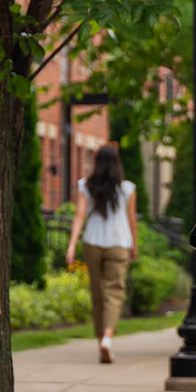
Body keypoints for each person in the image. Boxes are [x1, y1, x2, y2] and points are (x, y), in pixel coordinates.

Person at [65, 144, 138, 363]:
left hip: (92, 242)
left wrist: (71, 245)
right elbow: (131, 219)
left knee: (98, 294)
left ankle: (101, 343)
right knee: (114, 292)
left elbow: (79, 216)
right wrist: (135, 245)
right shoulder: (127, 189)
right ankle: (107, 337)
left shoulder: (86, 186)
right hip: (118, 242)